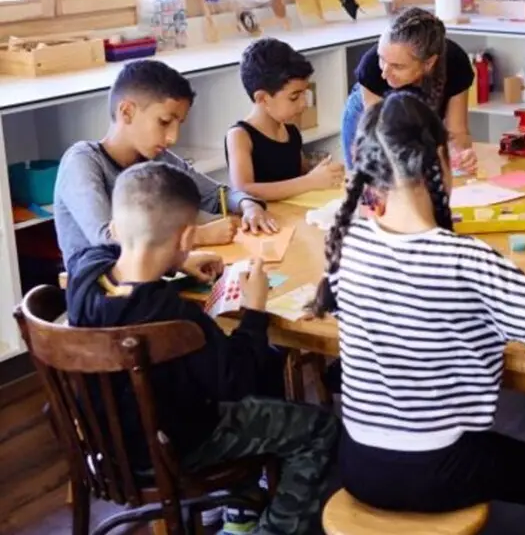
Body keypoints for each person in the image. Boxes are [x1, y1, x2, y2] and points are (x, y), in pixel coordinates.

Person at [311, 90, 525, 535]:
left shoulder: (350, 243)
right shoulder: (465, 257)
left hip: (358, 461)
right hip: (437, 468)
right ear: (441, 160)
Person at [66, 162, 336, 535]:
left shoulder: (84, 273)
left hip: (104, 445)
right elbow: (237, 380)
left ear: (114, 229)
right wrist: (254, 311)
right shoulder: (175, 320)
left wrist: (177, 260)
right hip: (179, 444)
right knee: (321, 428)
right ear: (188, 236)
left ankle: (240, 511)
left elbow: (115, 259)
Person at [54, 59, 275, 267]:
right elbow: (106, 240)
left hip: (157, 276)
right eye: (164, 122)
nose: (173, 137)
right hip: (101, 295)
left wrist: (249, 206)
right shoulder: (81, 161)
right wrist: (198, 236)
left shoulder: (157, 159)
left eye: (179, 124)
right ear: (127, 112)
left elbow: (217, 195)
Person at [340, 9, 475, 170]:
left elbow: (457, 132)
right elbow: (382, 139)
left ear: (429, 63)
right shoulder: (371, 67)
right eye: (382, 59)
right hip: (369, 115)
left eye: (398, 66)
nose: (384, 73)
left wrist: (460, 154)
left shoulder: (455, 63)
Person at [226, 38, 345, 202]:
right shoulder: (240, 136)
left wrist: (323, 174)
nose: (304, 104)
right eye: (294, 97)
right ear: (262, 98)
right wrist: (309, 181)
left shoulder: (291, 130)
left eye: (305, 93)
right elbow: (243, 190)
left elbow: (301, 177)